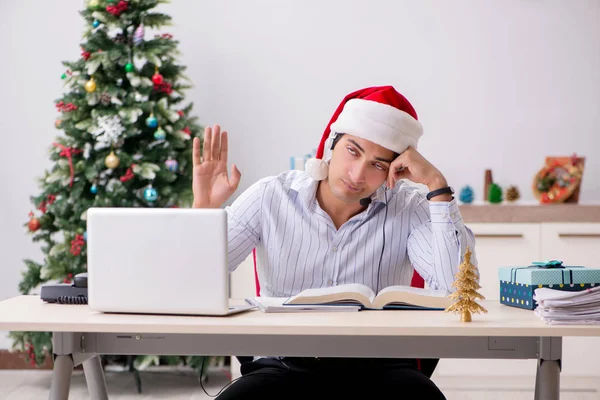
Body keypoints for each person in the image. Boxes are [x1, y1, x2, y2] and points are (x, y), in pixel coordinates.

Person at [192, 85, 476, 400]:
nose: (357, 174)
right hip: (282, 366)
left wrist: (437, 186)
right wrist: (203, 211)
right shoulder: (270, 196)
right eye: (353, 151)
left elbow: (458, 290)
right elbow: (197, 282)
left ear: (396, 169)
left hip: (380, 368)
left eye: (378, 164)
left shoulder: (411, 207)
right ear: (331, 143)